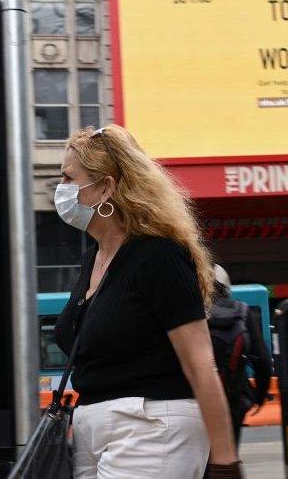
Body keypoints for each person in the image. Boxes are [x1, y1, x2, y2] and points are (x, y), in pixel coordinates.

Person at [53, 125, 243, 479]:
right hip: (91, 430)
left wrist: (225, 462)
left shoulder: (159, 256)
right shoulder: (92, 259)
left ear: (106, 188)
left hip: (153, 425)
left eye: (68, 178)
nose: (60, 190)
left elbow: (201, 364)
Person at [209, 264, 273, 448]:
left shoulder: (188, 311)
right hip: (233, 402)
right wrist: (259, 397)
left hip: (194, 405)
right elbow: (263, 361)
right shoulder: (242, 312)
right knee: (228, 456)